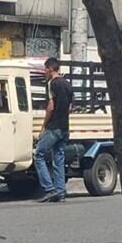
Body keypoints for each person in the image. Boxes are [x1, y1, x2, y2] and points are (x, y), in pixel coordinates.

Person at [34, 57, 72, 203]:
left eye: (45, 69)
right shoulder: (67, 84)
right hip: (65, 127)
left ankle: (50, 189)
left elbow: (51, 106)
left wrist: (44, 126)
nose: (44, 72)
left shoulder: (52, 83)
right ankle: (61, 192)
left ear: (50, 69)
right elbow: (70, 106)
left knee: (39, 155)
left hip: (54, 127)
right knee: (59, 158)